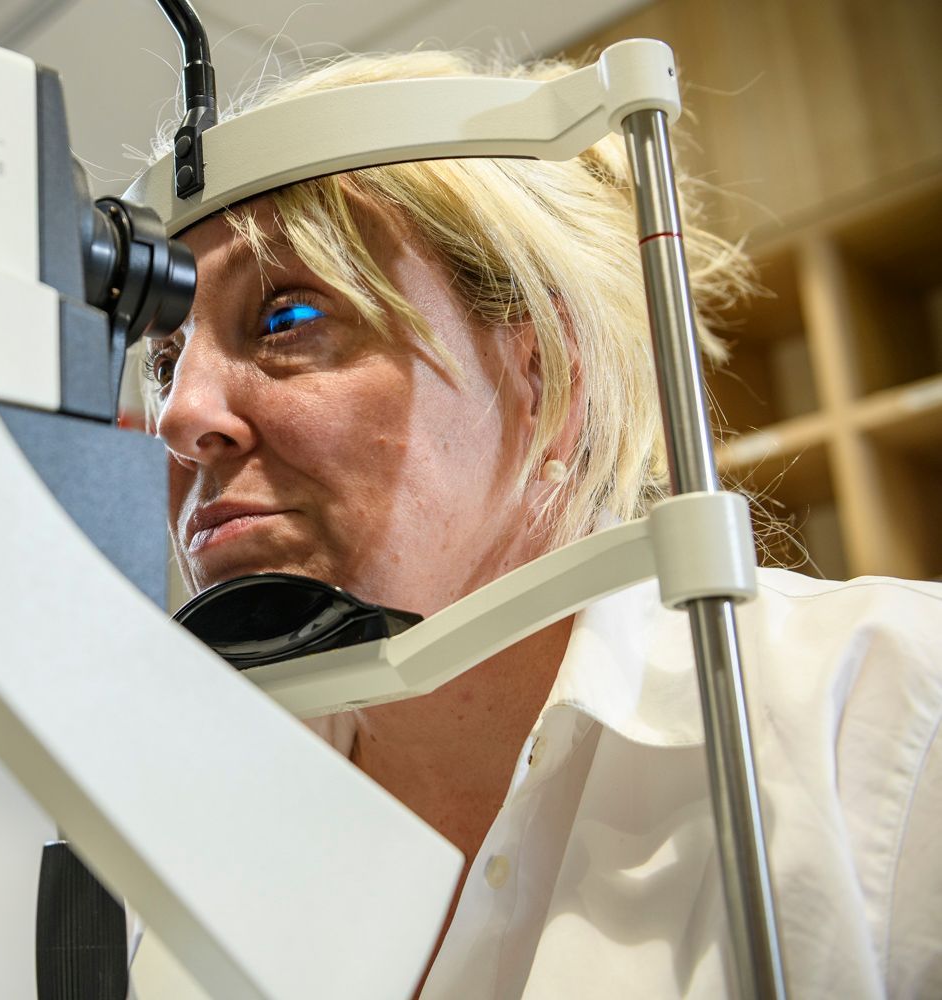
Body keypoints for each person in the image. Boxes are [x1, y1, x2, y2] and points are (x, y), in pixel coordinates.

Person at [132, 49, 942, 1000]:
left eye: (287, 315)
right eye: (164, 362)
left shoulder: (889, 718)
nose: (179, 416)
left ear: (541, 378)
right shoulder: (192, 814)